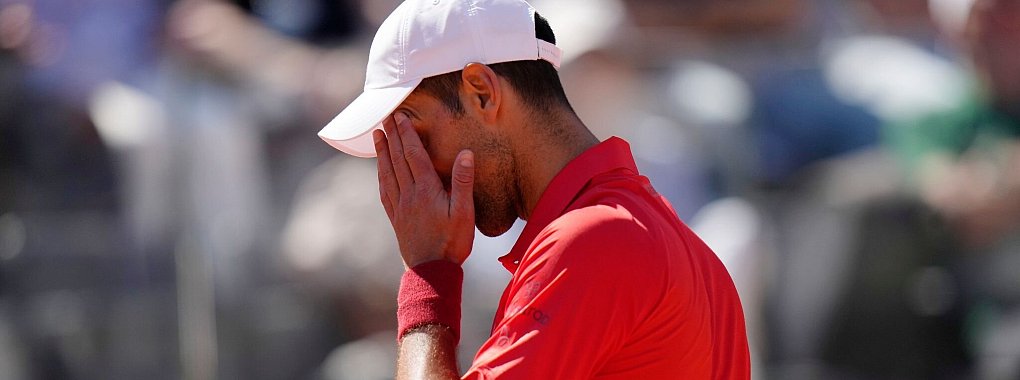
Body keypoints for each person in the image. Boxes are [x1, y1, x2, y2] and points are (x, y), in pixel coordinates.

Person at [316, 0, 750, 378]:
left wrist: (428, 272)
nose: (418, 171)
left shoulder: (592, 241)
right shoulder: (666, 237)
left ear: (482, 92)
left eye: (416, 133)